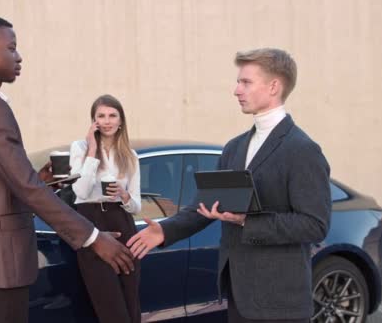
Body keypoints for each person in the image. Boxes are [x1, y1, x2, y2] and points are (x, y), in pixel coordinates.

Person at [0, 14, 134, 323]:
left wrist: (43, 179)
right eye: (12, 48)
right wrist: (93, 238)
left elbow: (1, 182)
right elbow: (24, 186)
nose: (19, 57)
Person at [127, 48, 331, 322]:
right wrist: (165, 231)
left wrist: (247, 220)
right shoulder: (234, 148)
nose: (236, 90)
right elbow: (203, 205)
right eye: (238, 82)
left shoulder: (302, 150)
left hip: (281, 304)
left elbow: (315, 224)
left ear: (273, 86)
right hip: (238, 295)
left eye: (245, 82)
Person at [69, 94, 142, 323]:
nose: (107, 121)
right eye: (101, 116)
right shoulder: (80, 148)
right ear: (94, 121)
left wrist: (124, 195)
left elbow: (137, 206)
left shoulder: (130, 156)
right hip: (92, 226)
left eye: (112, 115)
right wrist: (92, 149)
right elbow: (80, 191)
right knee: (109, 305)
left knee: (130, 302)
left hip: (122, 222)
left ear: (121, 121)